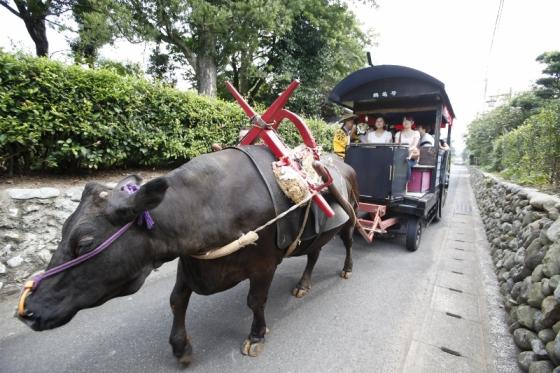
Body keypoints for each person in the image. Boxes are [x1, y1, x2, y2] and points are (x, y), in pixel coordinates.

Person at [395, 115, 420, 181]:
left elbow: (414, 145)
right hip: (400, 156)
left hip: (411, 157)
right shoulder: (398, 134)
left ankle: (405, 184)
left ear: (412, 122)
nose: (405, 122)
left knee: (406, 163)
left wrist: (406, 150)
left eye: (408, 120)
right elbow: (397, 146)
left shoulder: (416, 133)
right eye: (404, 120)